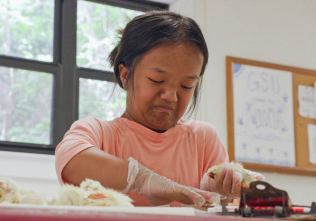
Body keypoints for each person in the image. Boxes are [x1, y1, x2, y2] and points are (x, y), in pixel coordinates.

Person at [55, 10, 263, 207]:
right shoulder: (100, 133)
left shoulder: (203, 138)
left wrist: (217, 193)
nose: (171, 97)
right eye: (157, 80)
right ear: (125, 75)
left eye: (186, 86)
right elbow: (71, 158)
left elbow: (217, 209)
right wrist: (142, 179)